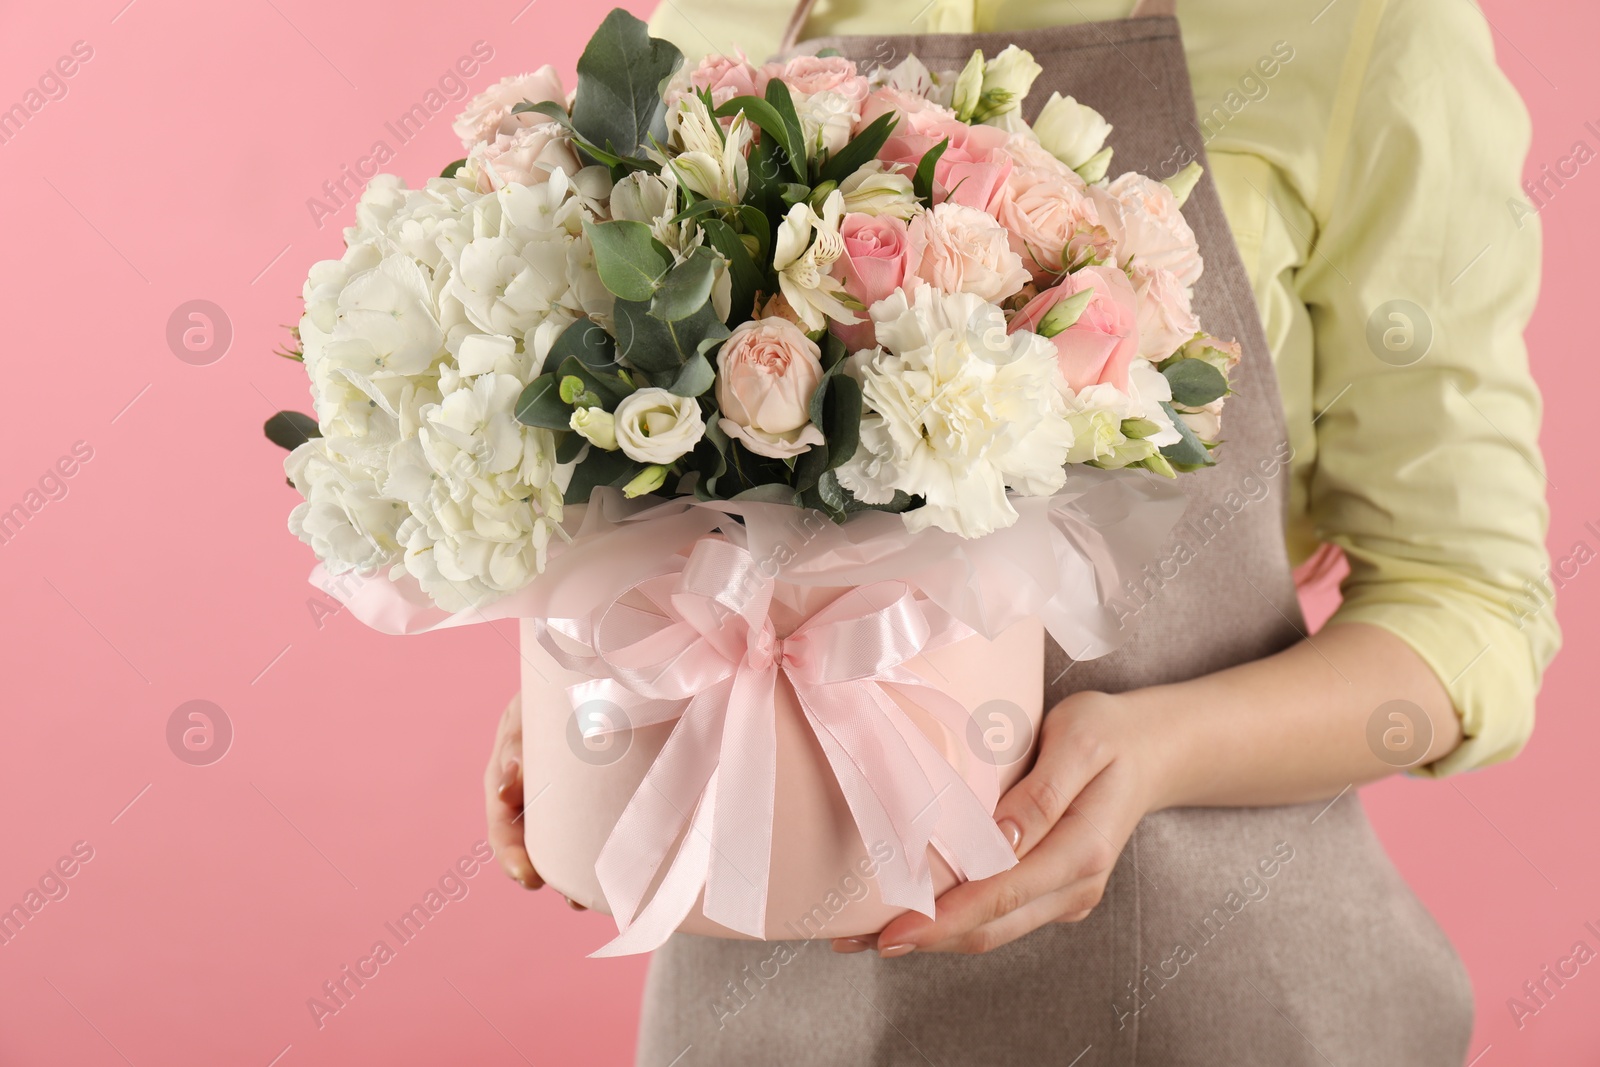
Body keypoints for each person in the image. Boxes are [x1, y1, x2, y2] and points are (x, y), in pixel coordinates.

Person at [486, 0, 1558, 1061]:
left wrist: (1151, 753)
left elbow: (1469, 605)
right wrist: (597, 676)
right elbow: (652, 484)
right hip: (756, 995)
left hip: (1212, 983)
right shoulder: (725, 20)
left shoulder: (1359, 28)